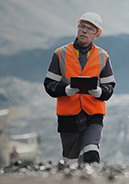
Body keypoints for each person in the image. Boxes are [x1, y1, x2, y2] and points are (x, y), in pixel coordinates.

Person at [44, 12, 116, 164]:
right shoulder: (60, 54)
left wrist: (100, 92)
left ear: (96, 35)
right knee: (71, 162)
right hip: (68, 116)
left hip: (93, 114)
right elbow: (49, 84)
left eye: (89, 28)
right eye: (82, 26)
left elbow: (109, 86)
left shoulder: (103, 56)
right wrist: (64, 89)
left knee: (91, 152)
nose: (84, 31)